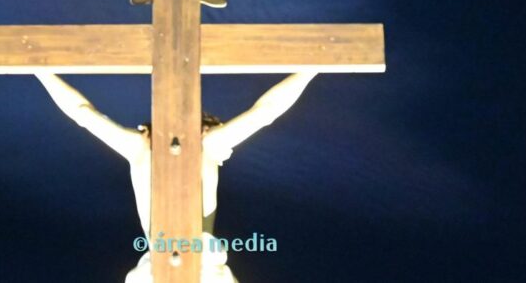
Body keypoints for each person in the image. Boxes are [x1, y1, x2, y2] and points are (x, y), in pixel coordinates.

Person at [35, 71, 316, 282]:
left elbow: (83, 113)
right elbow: (265, 112)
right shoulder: (204, 146)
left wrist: (42, 71)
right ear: (205, 126)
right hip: (191, 264)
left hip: (169, 264)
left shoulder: (145, 149)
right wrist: (310, 68)